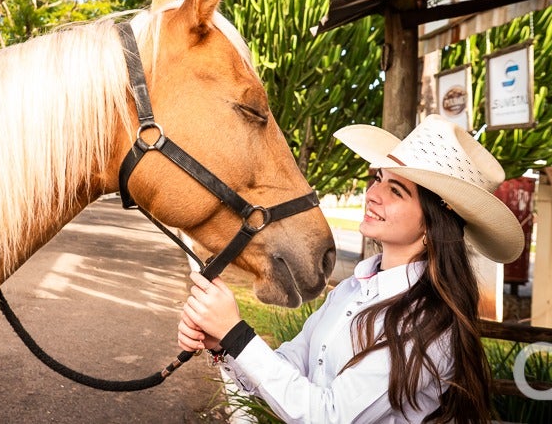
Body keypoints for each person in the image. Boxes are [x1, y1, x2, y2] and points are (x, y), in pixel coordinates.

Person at [178, 114, 524, 424]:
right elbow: (291, 367)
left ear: (431, 226)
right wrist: (224, 342)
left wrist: (237, 334)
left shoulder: (428, 324)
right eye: (378, 179)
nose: (373, 194)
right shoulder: (352, 289)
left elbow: (329, 415)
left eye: (396, 190)